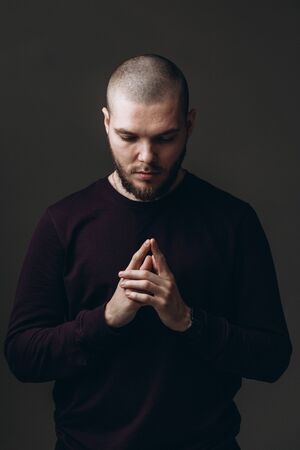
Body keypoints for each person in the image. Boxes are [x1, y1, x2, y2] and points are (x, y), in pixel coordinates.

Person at [4, 54, 292, 450]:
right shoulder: (63, 222)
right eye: (128, 137)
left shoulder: (233, 222)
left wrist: (188, 320)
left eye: (165, 138)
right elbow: (22, 356)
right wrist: (106, 319)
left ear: (189, 125)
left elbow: (273, 358)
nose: (146, 157)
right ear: (106, 123)